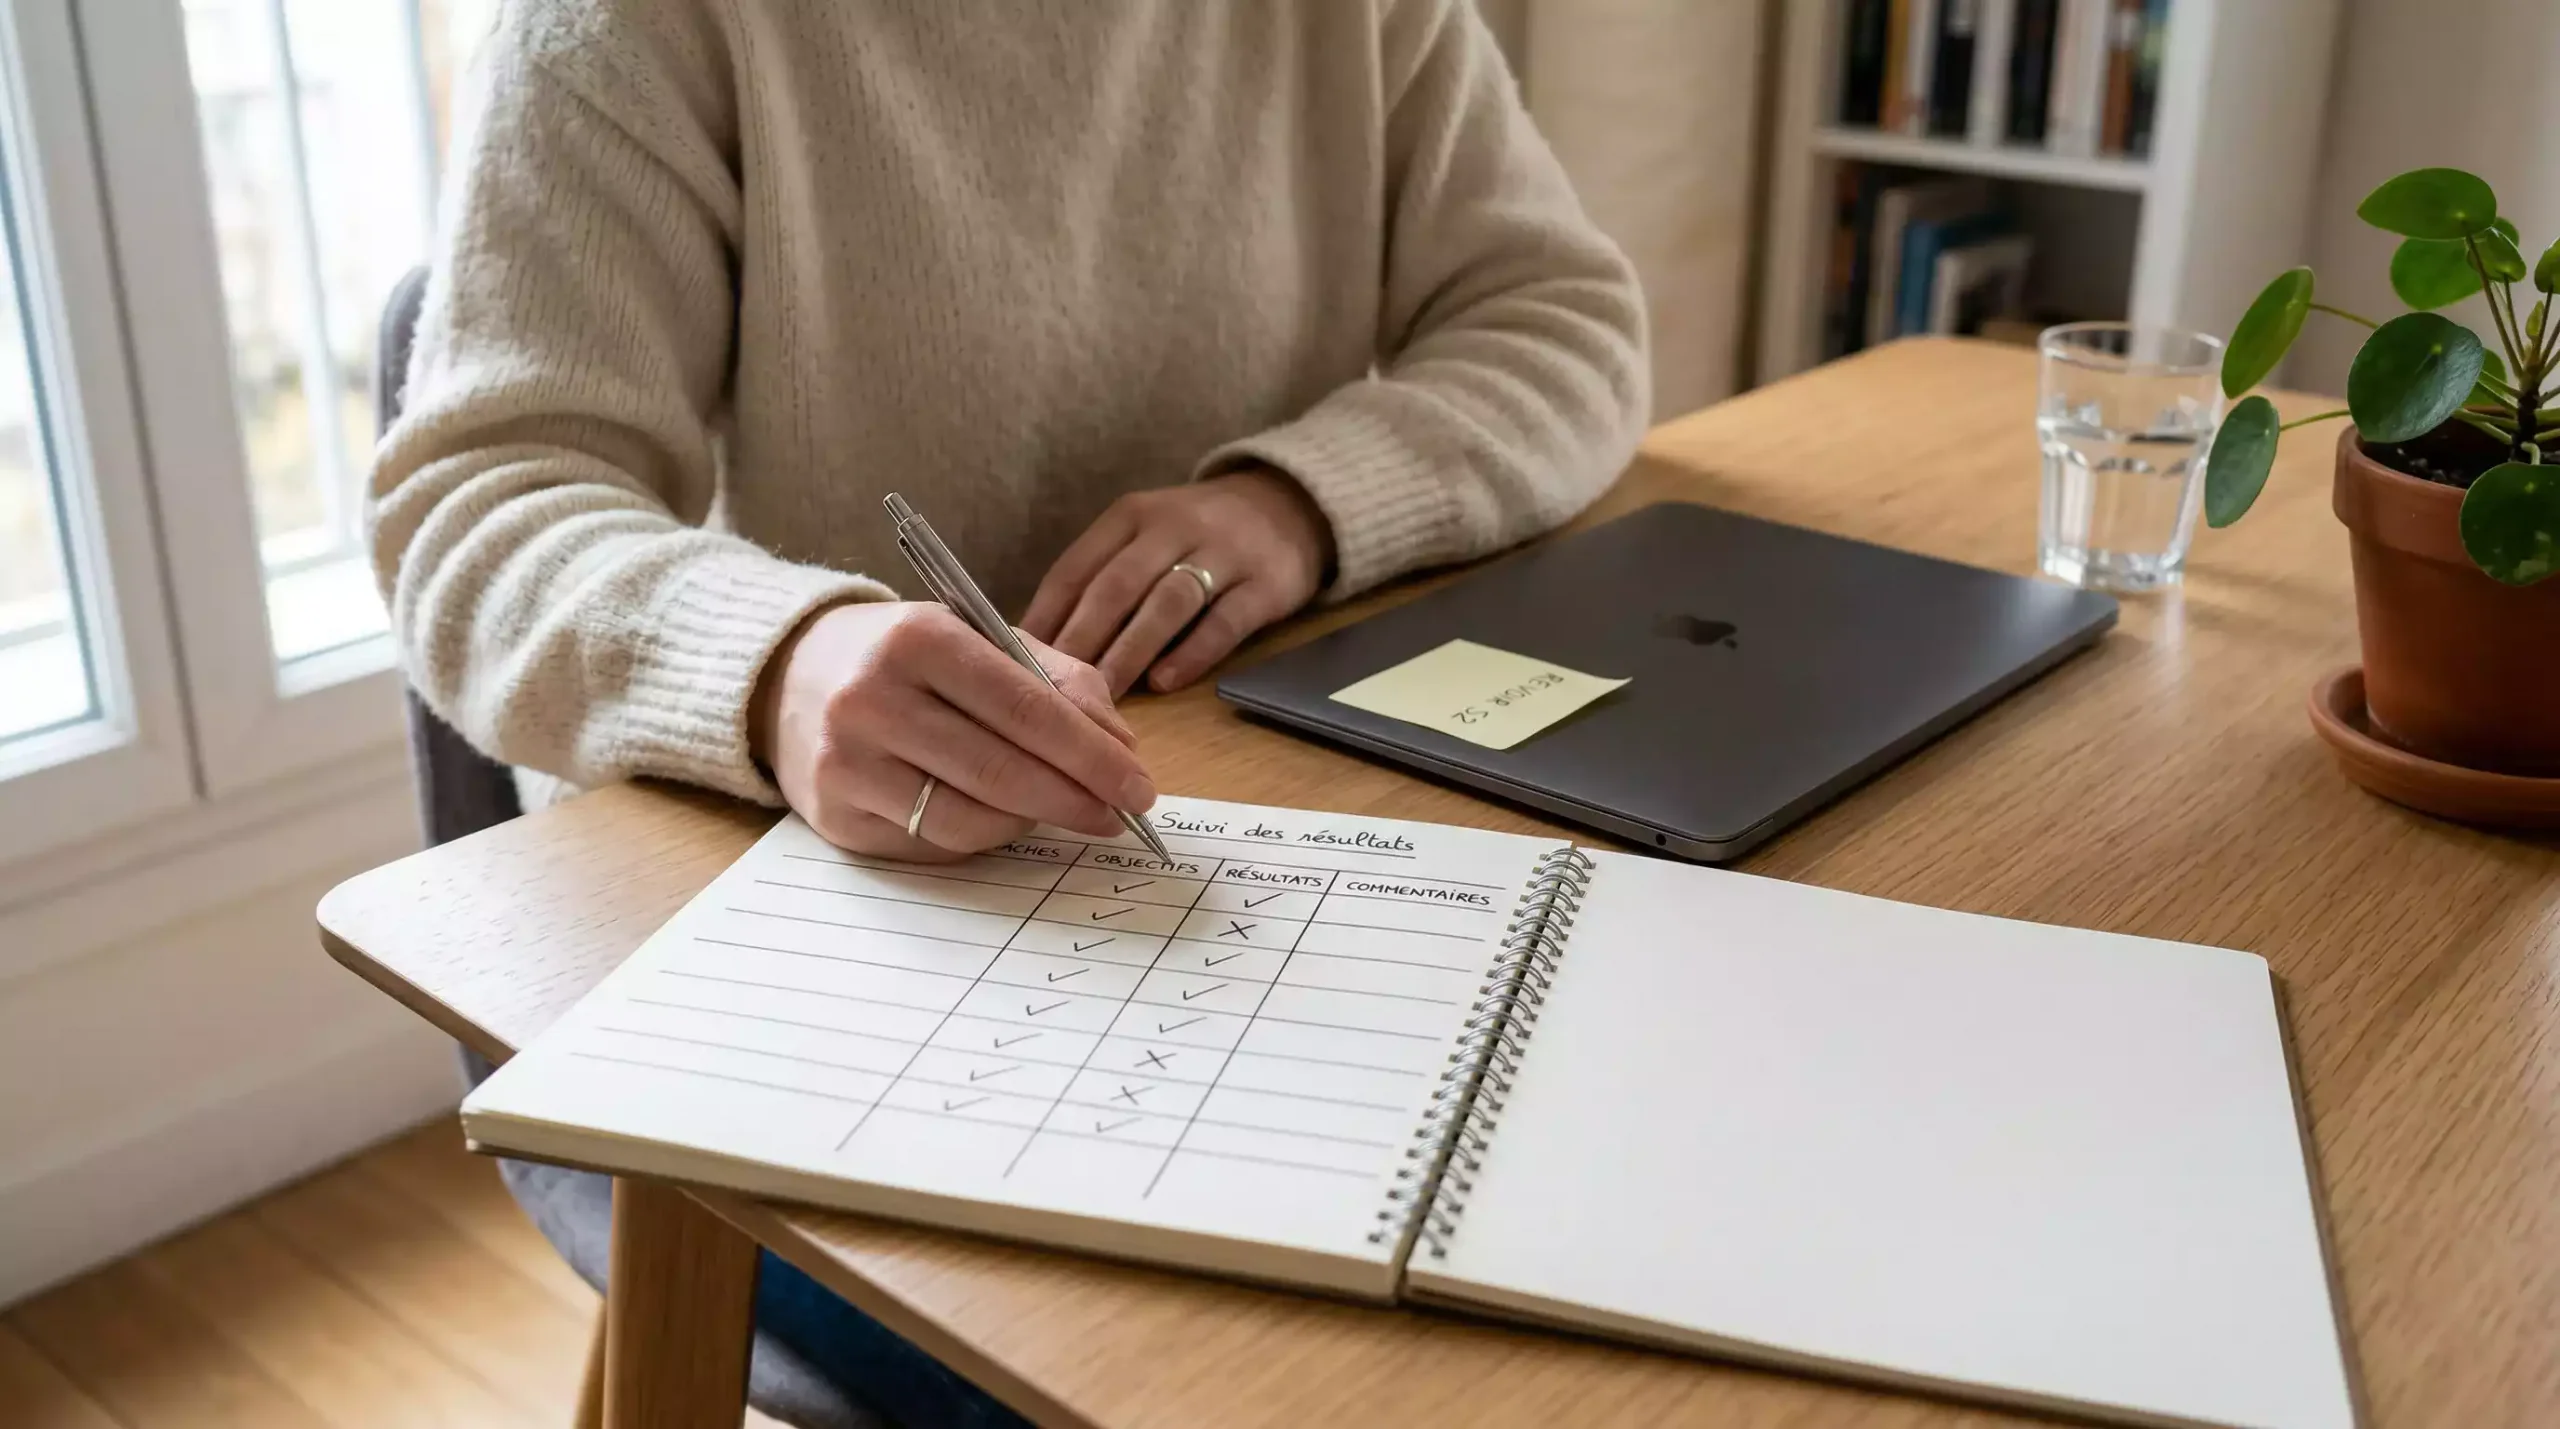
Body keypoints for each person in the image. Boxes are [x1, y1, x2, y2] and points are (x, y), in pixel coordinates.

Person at [371, 1, 1645, 1422]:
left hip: (1243, 853)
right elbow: (474, 515)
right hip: (803, 946)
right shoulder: (634, 26)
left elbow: (1565, 322)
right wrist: (781, 665)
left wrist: (1298, 502)